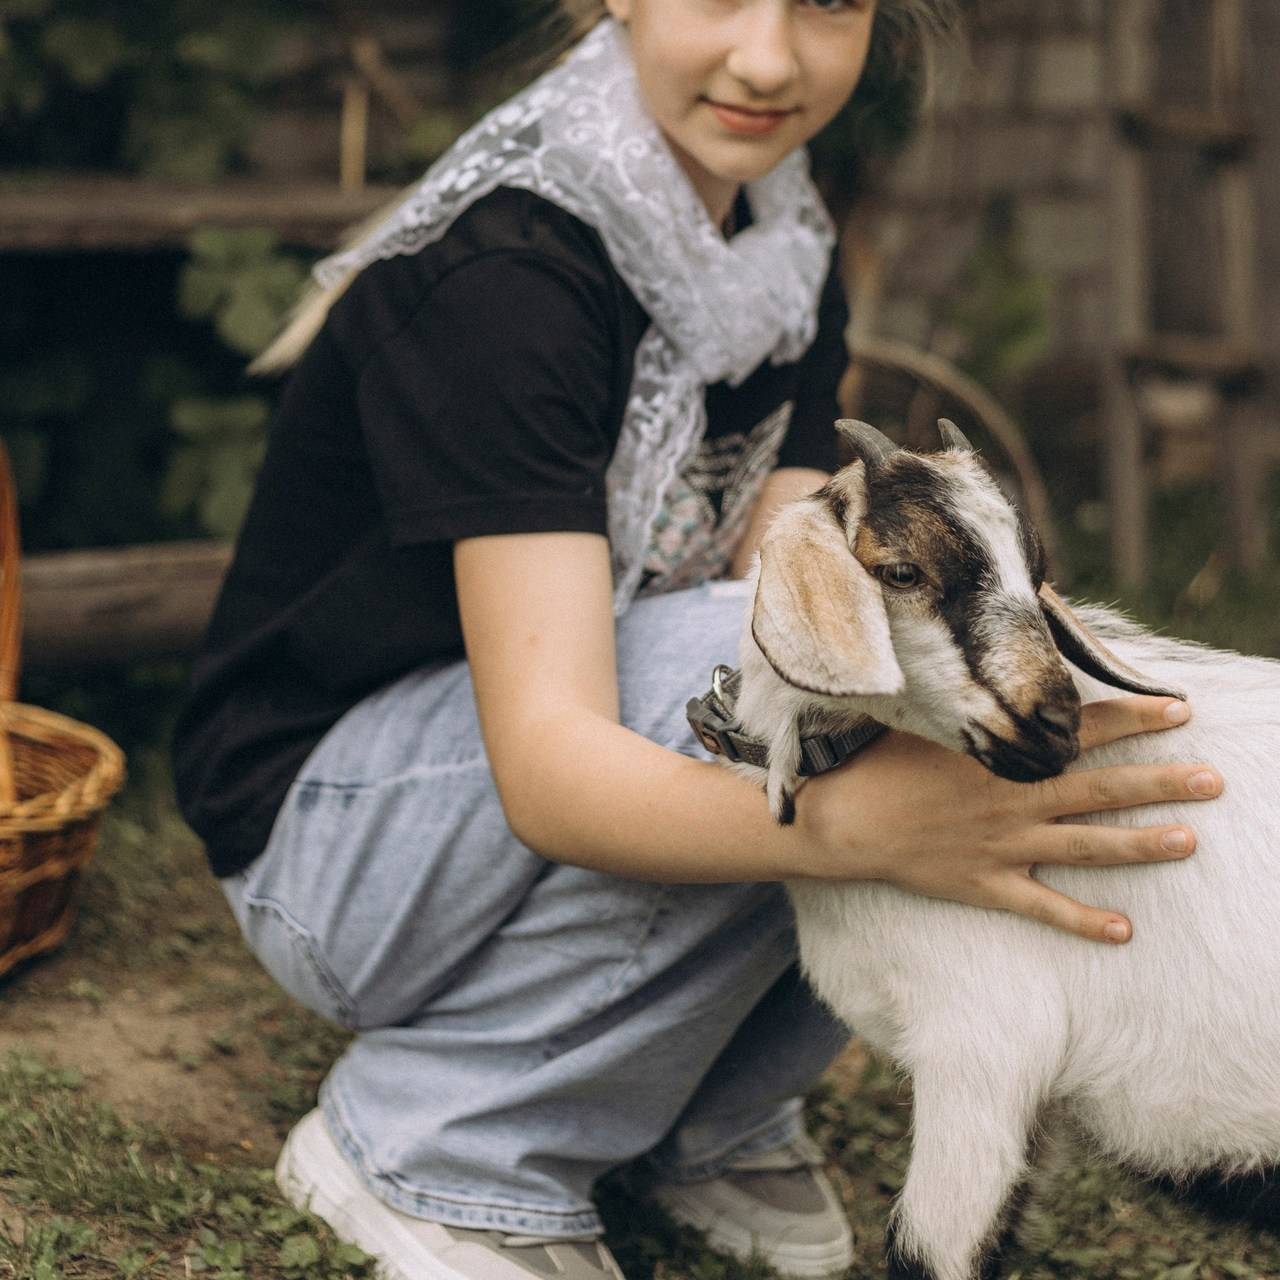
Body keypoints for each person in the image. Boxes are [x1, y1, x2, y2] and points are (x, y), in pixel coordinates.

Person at [171, 3, 1223, 1279]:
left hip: (517, 777)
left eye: (824, 0)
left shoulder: (777, 238)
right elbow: (554, 763)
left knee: (851, 654)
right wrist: (853, 827)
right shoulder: (508, 279)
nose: (765, 58)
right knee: (798, 667)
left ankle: (698, 1105)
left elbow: (798, 576)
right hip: (339, 849)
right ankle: (436, 1144)